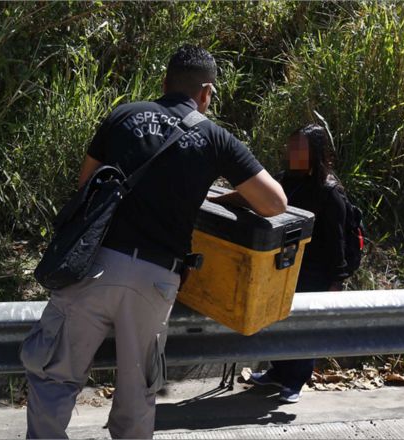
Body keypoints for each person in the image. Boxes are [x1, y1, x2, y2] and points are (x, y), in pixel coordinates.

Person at [20, 45, 287, 439]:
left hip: (93, 265)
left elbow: (86, 187)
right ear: (206, 93)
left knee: (54, 377)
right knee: (137, 392)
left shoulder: (124, 115)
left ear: (164, 83)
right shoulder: (216, 139)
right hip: (156, 278)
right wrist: (220, 196)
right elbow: (275, 202)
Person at [249, 124, 350, 403]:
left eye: (300, 148)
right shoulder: (284, 180)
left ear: (314, 152)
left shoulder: (328, 190)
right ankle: (278, 371)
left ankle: (296, 379)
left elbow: (336, 238)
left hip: (315, 269)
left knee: (305, 325)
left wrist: (337, 280)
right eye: (291, 146)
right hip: (284, 264)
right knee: (279, 318)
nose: (292, 152)